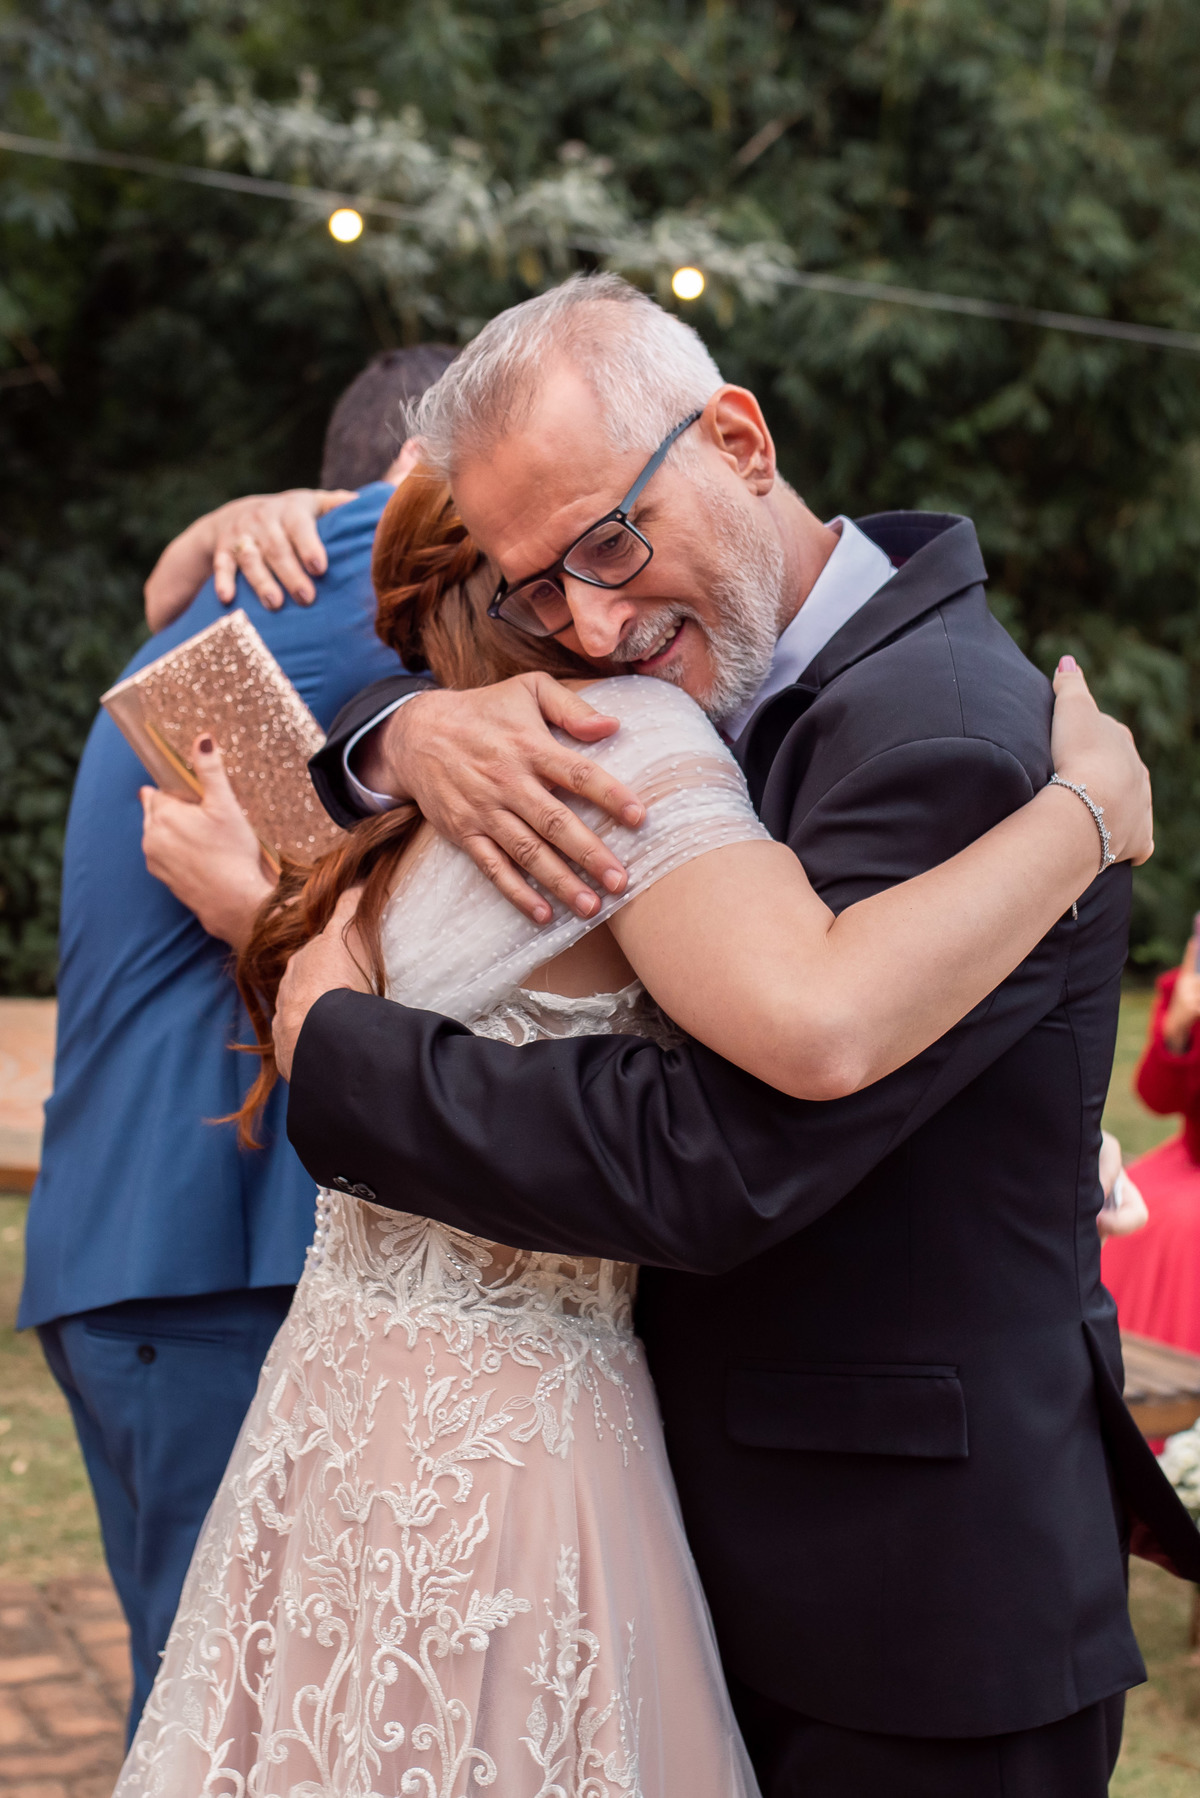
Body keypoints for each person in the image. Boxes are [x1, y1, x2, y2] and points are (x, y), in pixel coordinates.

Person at [261, 275, 1200, 1798]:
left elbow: (716, 1152)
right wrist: (403, 728)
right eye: (536, 590)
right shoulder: (716, 670)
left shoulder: (942, 731)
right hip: (745, 1562)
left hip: (905, 1622)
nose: (591, 622)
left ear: (740, 438)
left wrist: (348, 1061)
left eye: (611, 544)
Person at [20, 344, 455, 1737]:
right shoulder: (347, 596)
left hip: (153, 1255)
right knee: (232, 1715)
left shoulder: (253, 592)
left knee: (222, 1699)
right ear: (428, 477)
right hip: (206, 1252)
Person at [1103, 931, 1200, 1350]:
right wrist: (1178, 1027)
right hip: (1190, 1155)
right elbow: (1157, 1099)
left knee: (1186, 1227)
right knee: (1118, 1201)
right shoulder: (1185, 988)